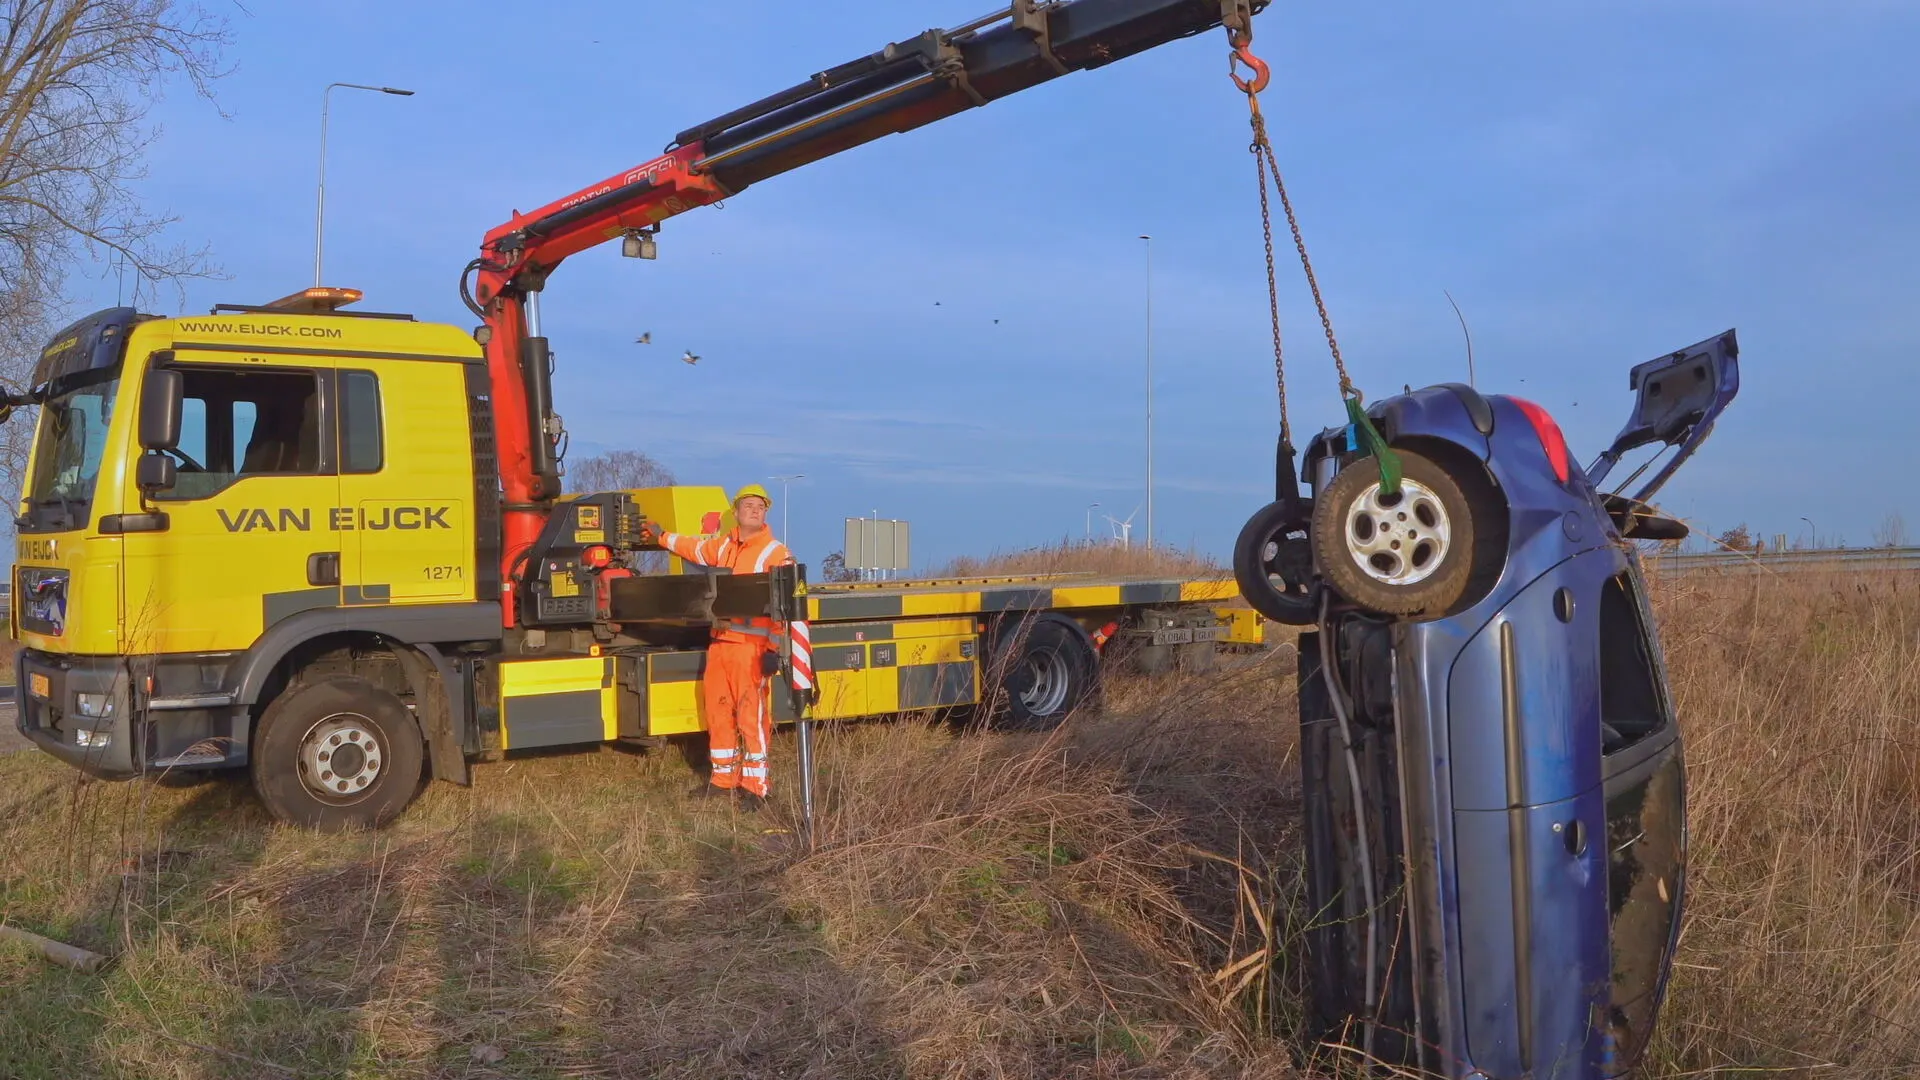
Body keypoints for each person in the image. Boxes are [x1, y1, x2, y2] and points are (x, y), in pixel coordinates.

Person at [641, 484, 793, 811]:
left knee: (751, 717)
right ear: (736, 512)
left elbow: (786, 606)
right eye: (749, 505)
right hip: (721, 645)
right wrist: (661, 536)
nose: (755, 510)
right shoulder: (724, 546)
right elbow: (694, 548)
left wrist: (774, 649)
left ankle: (757, 788)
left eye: (761, 507)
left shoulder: (776, 553)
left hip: (751, 648)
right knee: (718, 712)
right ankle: (723, 781)